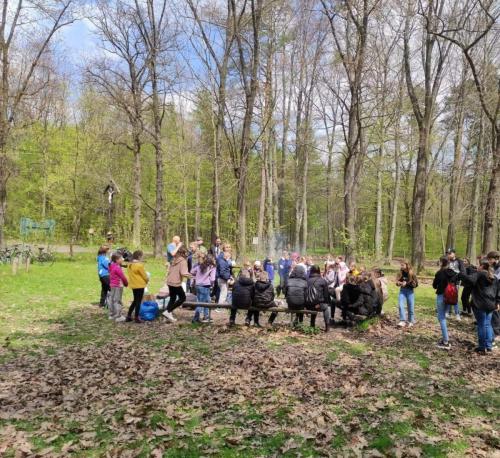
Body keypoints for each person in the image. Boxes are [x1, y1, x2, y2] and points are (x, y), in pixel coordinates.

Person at [459, 258, 500, 354]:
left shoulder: (480, 274)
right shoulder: (494, 277)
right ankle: (489, 346)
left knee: (482, 325)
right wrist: (497, 302)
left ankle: (482, 347)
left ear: (482, 266)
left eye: (479, 265)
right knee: (488, 324)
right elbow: (498, 292)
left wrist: (461, 273)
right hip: (491, 304)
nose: (477, 266)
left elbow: (469, 280)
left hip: (480, 304)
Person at [432, 257, 457, 350]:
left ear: (442, 262)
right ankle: (445, 338)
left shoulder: (439, 273)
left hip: (441, 296)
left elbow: (434, 286)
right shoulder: (453, 272)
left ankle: (446, 341)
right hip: (451, 297)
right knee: (444, 317)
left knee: (441, 318)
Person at [163, 246, 191, 322]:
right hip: (176, 283)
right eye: (186, 253)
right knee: (182, 298)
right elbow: (183, 273)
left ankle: (167, 315)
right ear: (183, 253)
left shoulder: (174, 259)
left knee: (173, 298)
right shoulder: (183, 261)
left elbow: (170, 270)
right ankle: (168, 311)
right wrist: (192, 277)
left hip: (169, 281)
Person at [191, 253, 216, 323]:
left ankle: (206, 316)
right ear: (211, 260)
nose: (215, 260)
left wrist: (196, 277)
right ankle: (195, 318)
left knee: (207, 300)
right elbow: (213, 279)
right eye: (214, 259)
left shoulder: (200, 265)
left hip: (197, 285)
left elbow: (192, 271)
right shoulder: (212, 267)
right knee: (200, 303)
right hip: (205, 286)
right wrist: (212, 284)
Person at [306, 265, 331, 332]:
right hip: (318, 305)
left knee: (314, 303)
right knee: (326, 307)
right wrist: (326, 303)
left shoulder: (307, 280)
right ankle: (327, 326)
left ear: (311, 271)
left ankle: (312, 325)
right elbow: (326, 295)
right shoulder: (323, 281)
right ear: (319, 271)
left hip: (307, 305)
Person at [126, 250, 149, 323]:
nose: (143, 257)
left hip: (133, 285)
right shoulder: (139, 265)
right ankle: (136, 317)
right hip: (140, 285)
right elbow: (145, 276)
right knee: (138, 301)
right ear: (139, 256)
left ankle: (129, 315)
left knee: (135, 300)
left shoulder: (130, 264)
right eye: (142, 256)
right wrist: (147, 280)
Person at [396, 261, 418, 327]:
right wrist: (399, 283)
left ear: (407, 265)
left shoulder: (412, 273)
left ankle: (411, 321)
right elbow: (397, 282)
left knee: (410, 306)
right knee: (400, 305)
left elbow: (416, 284)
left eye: (402, 265)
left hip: (410, 291)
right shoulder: (400, 273)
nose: (401, 266)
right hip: (402, 291)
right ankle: (402, 320)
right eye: (401, 265)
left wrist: (407, 283)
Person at [446, 248, 465, 320]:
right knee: (447, 296)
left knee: (454, 297)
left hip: (456, 282)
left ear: (454, 253)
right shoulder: (447, 261)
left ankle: (457, 314)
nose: (448, 255)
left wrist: (457, 277)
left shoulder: (459, 261)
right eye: (448, 253)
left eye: (450, 253)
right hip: (448, 281)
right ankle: (447, 312)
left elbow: (462, 271)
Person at [109, 253, 128, 322]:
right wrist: (126, 284)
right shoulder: (117, 267)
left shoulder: (111, 265)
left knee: (112, 299)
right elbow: (123, 277)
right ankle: (118, 316)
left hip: (112, 285)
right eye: (121, 258)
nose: (122, 259)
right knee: (117, 300)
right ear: (117, 260)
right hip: (118, 286)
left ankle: (112, 314)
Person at [486, 251, 500, 345]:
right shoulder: (494, 267)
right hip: (495, 293)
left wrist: (498, 300)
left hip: (498, 294)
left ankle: (497, 334)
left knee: (496, 313)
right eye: (489, 259)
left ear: (496, 258)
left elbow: (498, 281)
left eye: (491, 259)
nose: (489, 261)